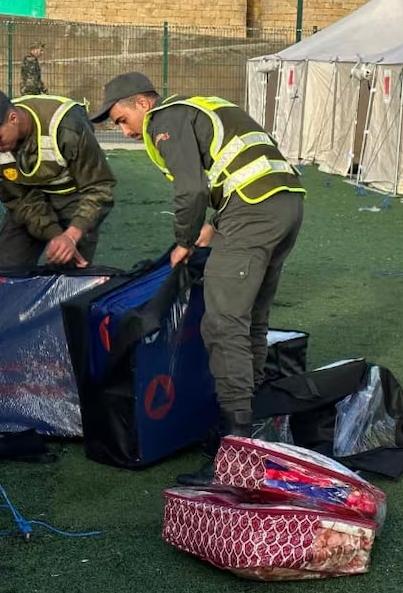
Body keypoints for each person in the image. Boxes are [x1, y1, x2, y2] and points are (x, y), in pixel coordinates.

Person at [93, 72, 305, 485]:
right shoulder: (199, 106)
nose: (126, 131)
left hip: (253, 212)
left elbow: (191, 191)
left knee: (223, 325)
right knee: (250, 322)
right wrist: (216, 225)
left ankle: (236, 450)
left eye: (122, 120)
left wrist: (184, 240)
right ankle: (251, 428)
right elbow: (238, 168)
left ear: (143, 103)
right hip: (284, 206)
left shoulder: (165, 119)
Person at [0, 86, 116, 267]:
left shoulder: (67, 126)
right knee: (11, 265)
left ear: (13, 118)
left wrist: (71, 235)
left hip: (74, 197)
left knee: (70, 272)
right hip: (28, 197)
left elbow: (99, 186)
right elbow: (19, 200)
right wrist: (54, 234)